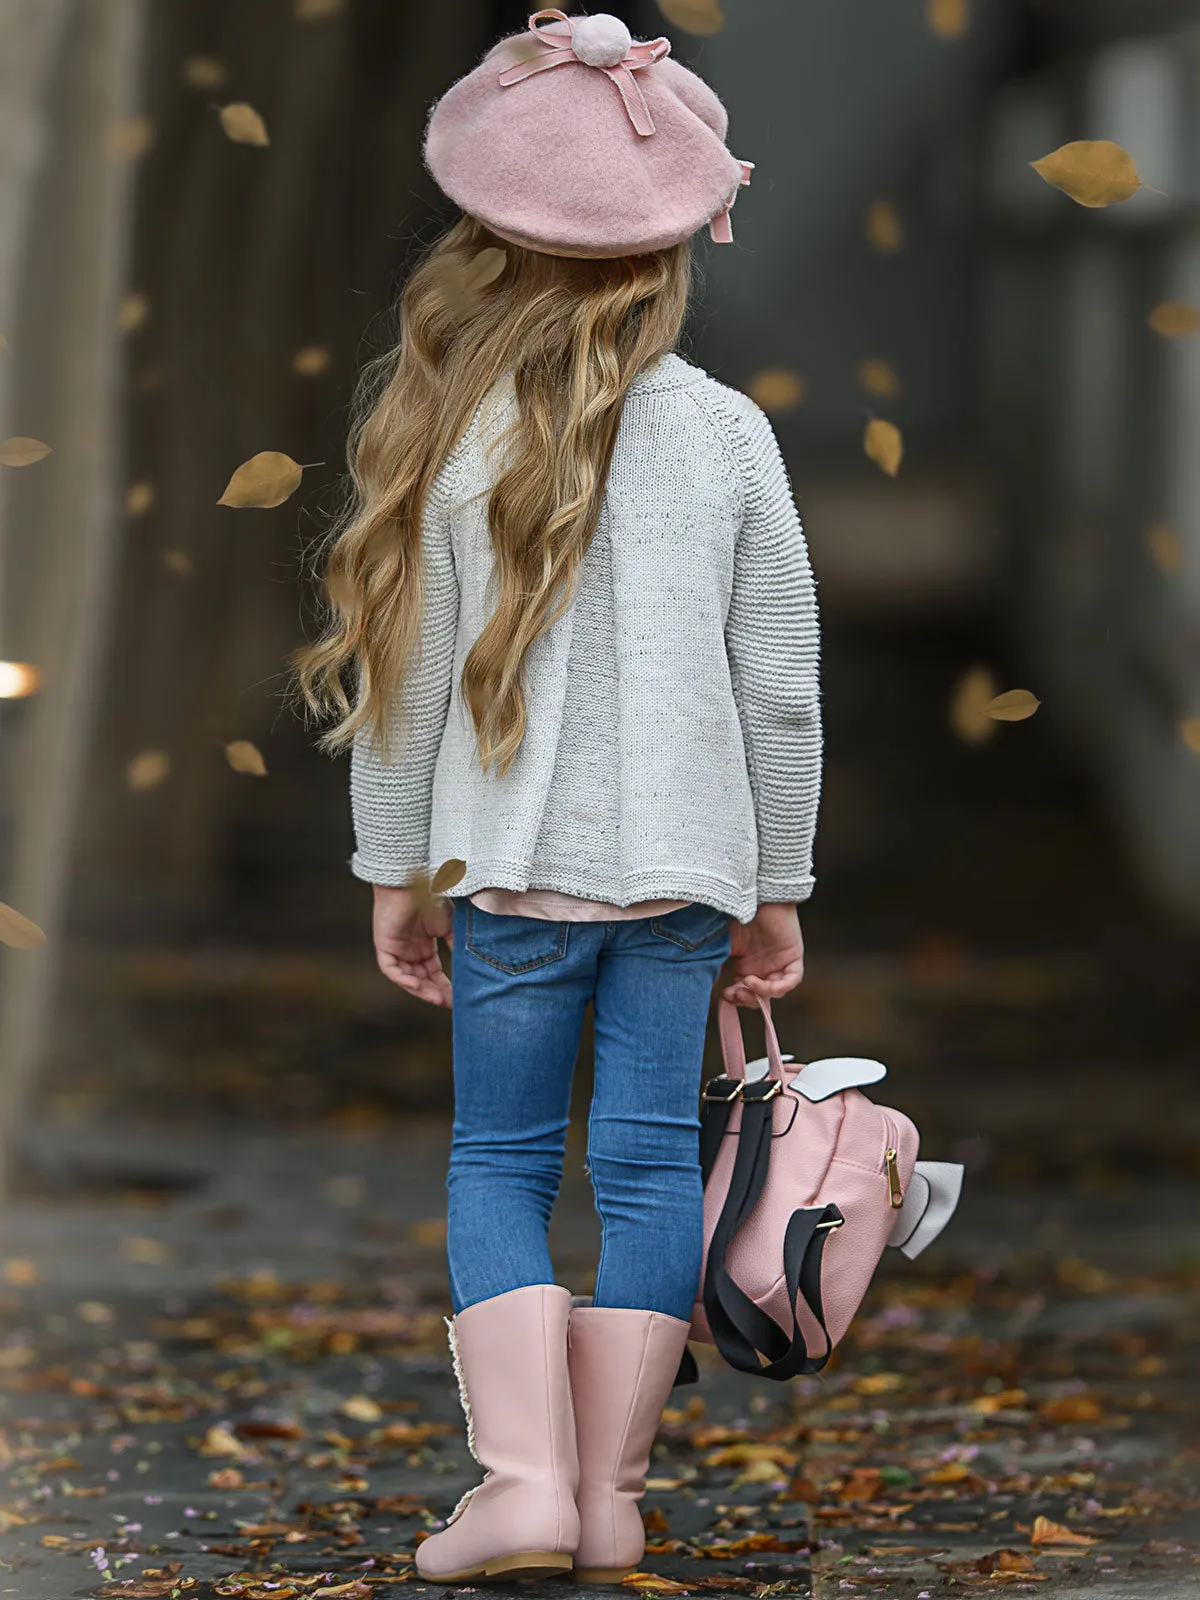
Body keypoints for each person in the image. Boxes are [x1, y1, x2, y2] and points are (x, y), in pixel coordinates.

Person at [295, 7, 820, 1585]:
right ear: (671, 253)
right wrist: (774, 879)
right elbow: (780, 685)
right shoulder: (730, 438)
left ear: (497, 246)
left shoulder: (451, 437)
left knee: (503, 1162)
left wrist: (397, 863)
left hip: (510, 874)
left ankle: (517, 1480)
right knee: (654, 1162)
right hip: (685, 878)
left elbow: (404, 677)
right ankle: (608, 1496)